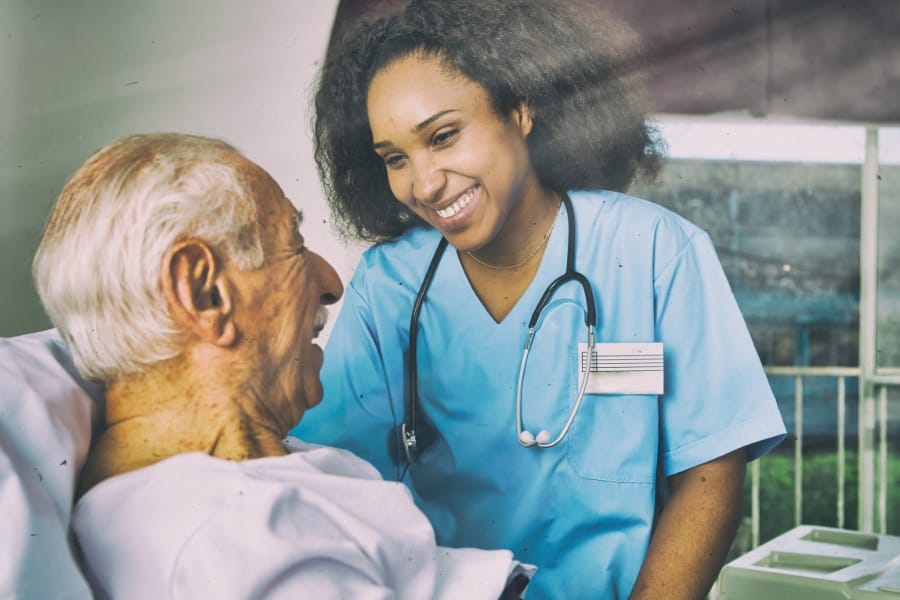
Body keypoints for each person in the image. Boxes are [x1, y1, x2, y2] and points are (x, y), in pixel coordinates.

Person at [290, 1, 787, 598]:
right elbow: (338, 480)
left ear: (521, 107)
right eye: (396, 158)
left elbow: (711, 472)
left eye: (443, 136)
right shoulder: (389, 285)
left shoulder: (654, 249)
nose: (423, 184)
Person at [32, 133, 534, 599]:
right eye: (294, 245)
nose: (332, 282)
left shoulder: (214, 488)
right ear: (204, 293)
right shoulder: (235, 536)